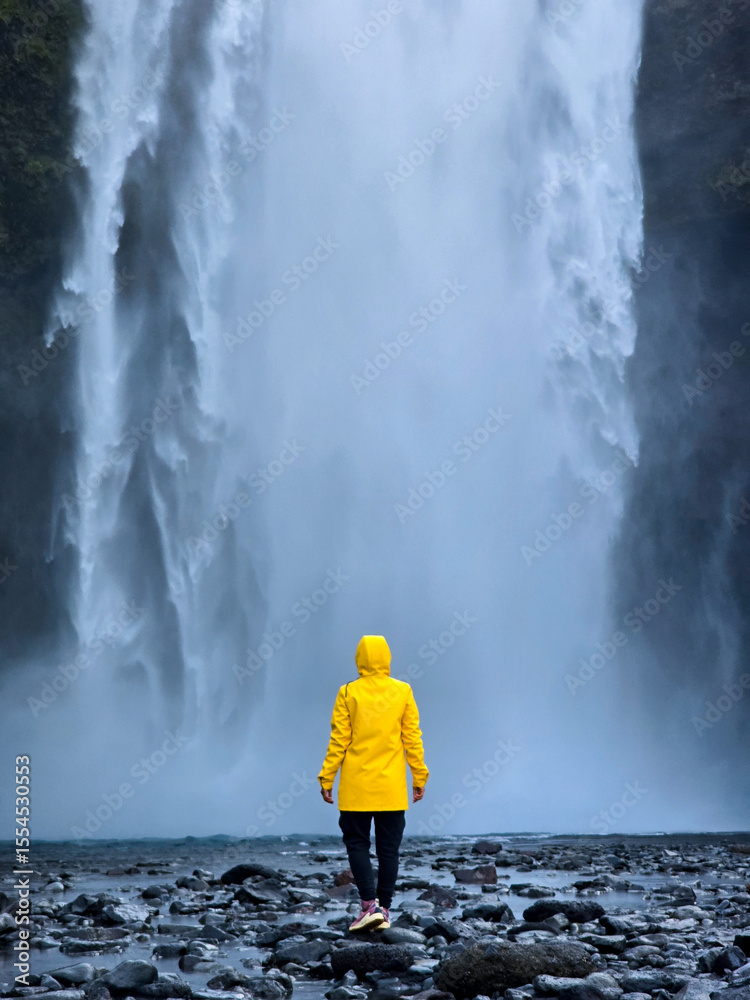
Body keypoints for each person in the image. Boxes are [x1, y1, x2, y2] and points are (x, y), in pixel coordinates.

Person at [318, 634, 429, 932]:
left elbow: (339, 740)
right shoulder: (403, 691)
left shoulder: (347, 692)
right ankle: (386, 910)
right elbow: (412, 739)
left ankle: (369, 906)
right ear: (387, 658)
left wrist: (327, 777)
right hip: (391, 789)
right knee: (388, 851)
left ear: (359, 659)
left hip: (356, 787)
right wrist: (419, 775)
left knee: (357, 844)